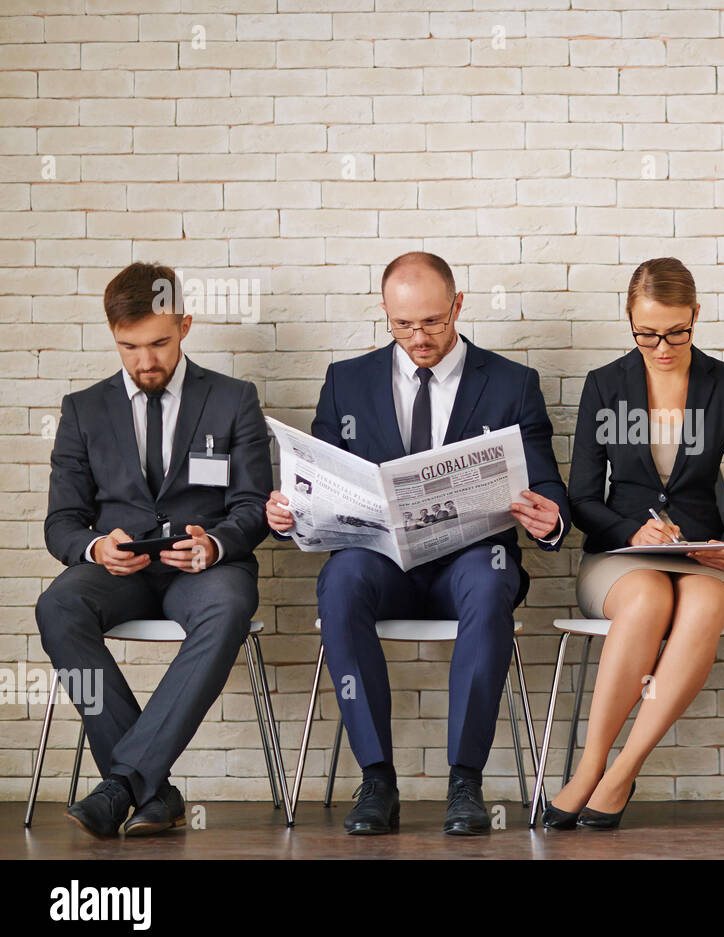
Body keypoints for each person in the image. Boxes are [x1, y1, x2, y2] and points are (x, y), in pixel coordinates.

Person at [266, 251, 569, 836]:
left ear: (458, 306)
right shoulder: (345, 382)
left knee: (490, 577)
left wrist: (549, 517)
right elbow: (316, 480)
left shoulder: (511, 383)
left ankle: (465, 781)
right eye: (402, 325)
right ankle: (377, 779)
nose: (418, 338)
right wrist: (289, 511)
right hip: (380, 564)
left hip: (471, 562)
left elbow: (547, 481)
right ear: (385, 313)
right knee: (341, 579)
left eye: (431, 322)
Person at [37, 261, 272, 837]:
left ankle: (121, 784)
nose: (146, 362)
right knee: (58, 606)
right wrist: (95, 549)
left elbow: (253, 505)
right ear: (113, 337)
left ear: (185, 326)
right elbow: (61, 522)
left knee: (227, 609)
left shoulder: (235, 399)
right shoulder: (82, 409)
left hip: (204, 570)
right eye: (129, 347)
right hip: (119, 571)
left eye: (160, 343)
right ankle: (150, 789)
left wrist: (215, 545)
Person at [543, 257, 724, 830]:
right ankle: (590, 766)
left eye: (676, 332)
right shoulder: (606, 384)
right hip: (621, 557)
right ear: (629, 321)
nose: (663, 347)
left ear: (696, 314)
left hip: (705, 557)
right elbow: (583, 497)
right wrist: (629, 530)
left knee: (701, 604)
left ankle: (621, 773)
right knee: (647, 598)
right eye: (647, 334)